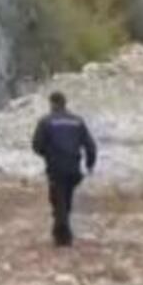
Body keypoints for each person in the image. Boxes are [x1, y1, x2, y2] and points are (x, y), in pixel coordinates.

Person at [32, 91, 97, 247]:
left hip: (55, 166)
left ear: (52, 104)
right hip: (74, 167)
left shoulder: (46, 121)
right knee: (65, 198)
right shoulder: (78, 121)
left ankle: (62, 235)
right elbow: (91, 146)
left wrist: (48, 155)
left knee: (58, 199)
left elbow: (36, 145)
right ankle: (62, 230)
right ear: (65, 103)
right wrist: (89, 164)